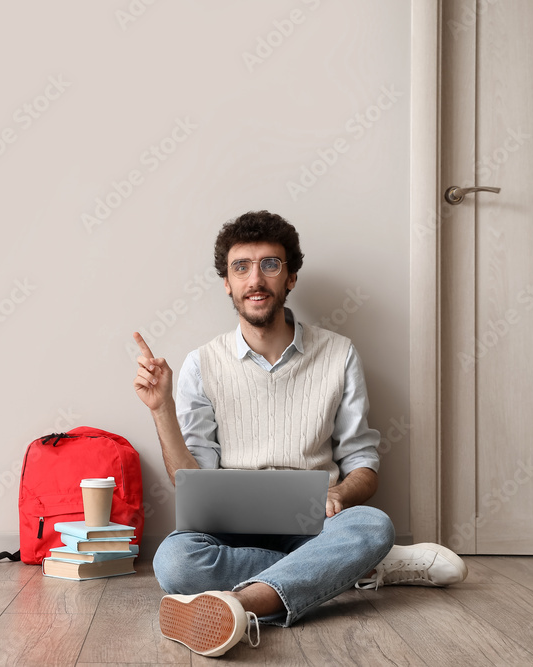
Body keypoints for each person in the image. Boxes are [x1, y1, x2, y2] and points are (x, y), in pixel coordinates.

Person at [132, 210, 467, 659]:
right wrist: (161, 409)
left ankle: (241, 603)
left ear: (290, 278)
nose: (256, 279)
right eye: (241, 267)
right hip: (230, 532)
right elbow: (189, 479)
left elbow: (364, 466)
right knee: (173, 562)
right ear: (226, 284)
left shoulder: (339, 353)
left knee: (372, 524)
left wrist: (341, 498)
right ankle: (360, 571)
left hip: (317, 526)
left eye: (270, 264)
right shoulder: (201, 363)